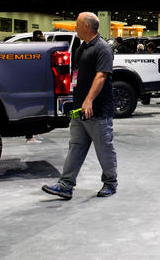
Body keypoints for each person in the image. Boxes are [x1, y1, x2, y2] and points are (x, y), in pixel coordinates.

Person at [42, 12, 117, 200]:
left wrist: (89, 100)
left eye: (77, 24)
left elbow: (101, 76)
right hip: (80, 109)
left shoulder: (102, 48)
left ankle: (110, 183)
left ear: (86, 26)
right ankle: (65, 185)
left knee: (104, 148)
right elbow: (77, 77)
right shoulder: (81, 49)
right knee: (75, 146)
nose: (74, 28)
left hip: (97, 109)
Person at [25, 30, 46, 144]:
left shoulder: (34, 48)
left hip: (35, 84)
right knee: (31, 111)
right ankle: (29, 137)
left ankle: (34, 133)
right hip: (31, 85)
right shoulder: (33, 49)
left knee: (37, 110)